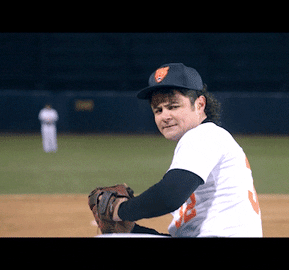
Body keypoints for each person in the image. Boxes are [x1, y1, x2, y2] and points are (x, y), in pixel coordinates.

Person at [106, 63, 263, 237]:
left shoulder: (204, 135)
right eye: (158, 110)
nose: (165, 116)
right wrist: (133, 230)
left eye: (173, 106)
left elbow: (169, 196)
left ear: (200, 104)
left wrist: (119, 210)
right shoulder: (210, 138)